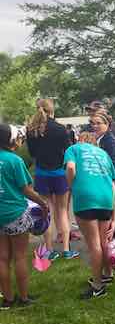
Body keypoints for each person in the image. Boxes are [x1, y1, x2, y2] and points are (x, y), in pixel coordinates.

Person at [0, 123, 49, 309]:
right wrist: (43, 203)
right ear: (10, 140)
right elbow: (25, 189)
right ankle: (23, 298)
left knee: (2, 258)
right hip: (15, 214)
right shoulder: (14, 161)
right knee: (19, 256)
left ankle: (7, 299)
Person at [64, 132, 115, 299]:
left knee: (94, 244)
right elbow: (113, 186)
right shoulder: (104, 154)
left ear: (80, 140)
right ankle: (107, 275)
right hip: (106, 199)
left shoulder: (73, 149)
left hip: (86, 198)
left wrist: (72, 185)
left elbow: (71, 167)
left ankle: (97, 286)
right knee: (104, 242)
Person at [26, 99, 79, 261]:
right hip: (59, 174)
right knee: (62, 211)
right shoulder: (61, 129)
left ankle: (49, 250)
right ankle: (66, 249)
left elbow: (33, 154)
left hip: (42, 174)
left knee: (46, 211)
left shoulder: (32, 130)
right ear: (52, 110)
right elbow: (67, 151)